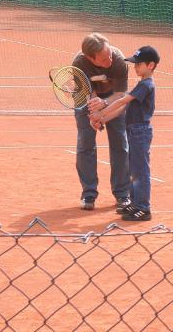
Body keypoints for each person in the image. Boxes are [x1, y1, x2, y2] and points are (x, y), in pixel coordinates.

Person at [90, 46, 160, 221]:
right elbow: (124, 109)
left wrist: (101, 112)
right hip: (134, 131)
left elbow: (122, 101)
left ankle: (143, 208)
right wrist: (103, 120)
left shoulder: (146, 85)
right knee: (133, 170)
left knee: (140, 171)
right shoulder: (141, 85)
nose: (135, 67)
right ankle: (136, 203)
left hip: (140, 132)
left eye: (139, 64)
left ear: (151, 65)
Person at [72, 33, 130, 212]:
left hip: (113, 100)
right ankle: (88, 194)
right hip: (87, 100)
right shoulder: (79, 64)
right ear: (91, 58)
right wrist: (94, 116)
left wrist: (104, 112)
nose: (109, 59)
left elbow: (120, 96)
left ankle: (122, 194)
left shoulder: (119, 61)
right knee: (85, 144)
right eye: (104, 59)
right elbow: (88, 94)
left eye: (110, 54)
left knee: (120, 143)